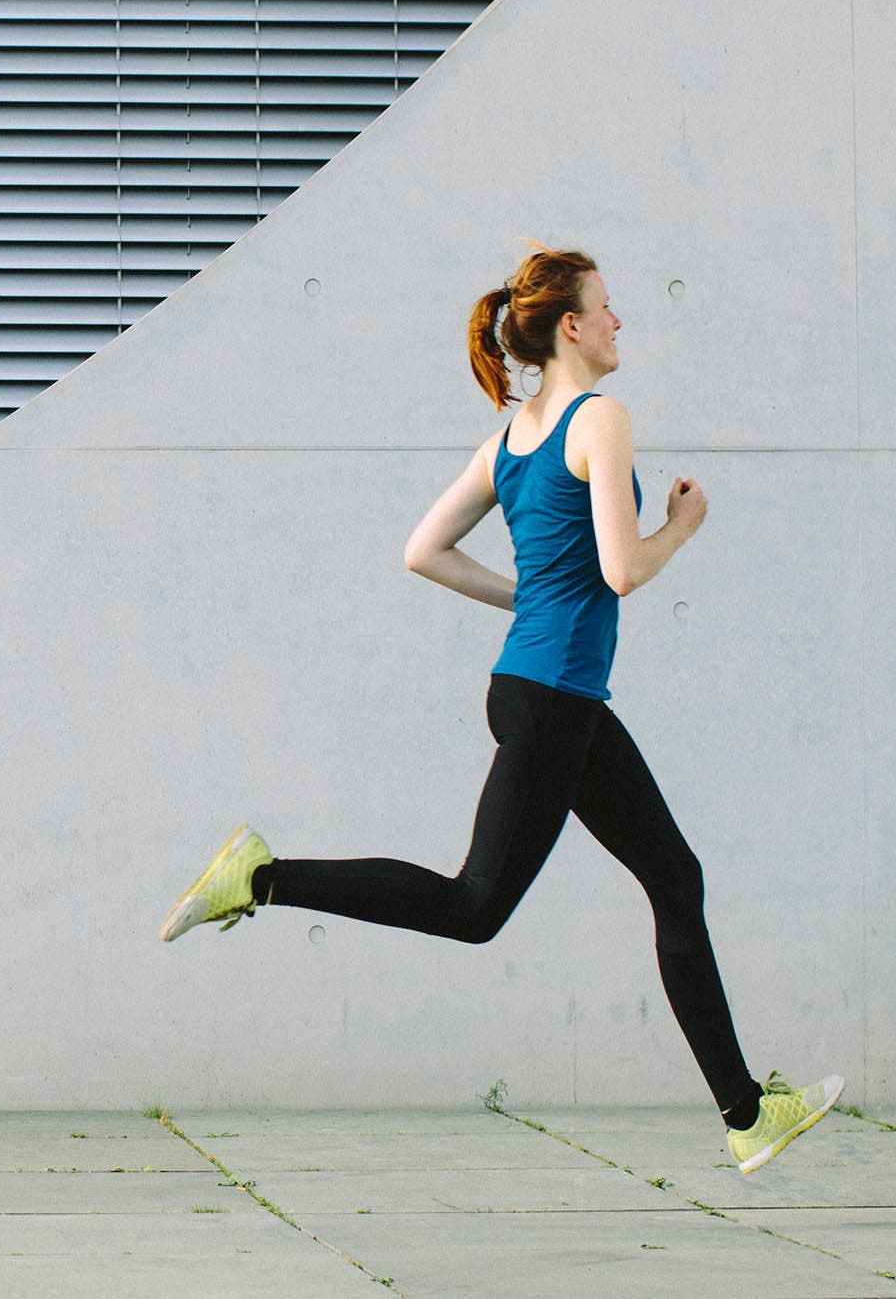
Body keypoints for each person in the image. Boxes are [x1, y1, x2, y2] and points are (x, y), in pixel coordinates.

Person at [157, 243, 841, 1174]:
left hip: (546, 692)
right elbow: (622, 571)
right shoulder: (601, 420)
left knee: (675, 879)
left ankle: (748, 1112)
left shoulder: (511, 439)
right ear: (570, 325)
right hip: (554, 699)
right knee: (474, 907)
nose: (617, 321)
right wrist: (680, 526)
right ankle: (262, 876)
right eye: (606, 307)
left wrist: (528, 598)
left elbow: (423, 551)